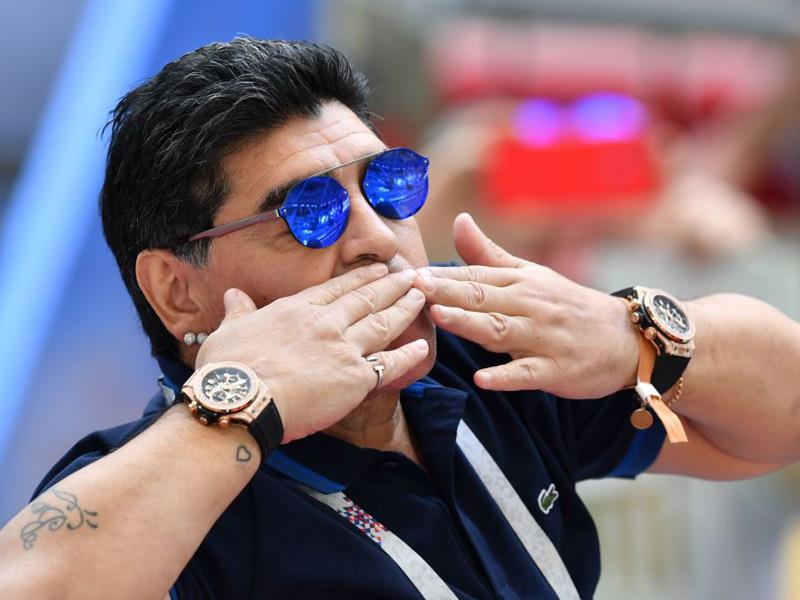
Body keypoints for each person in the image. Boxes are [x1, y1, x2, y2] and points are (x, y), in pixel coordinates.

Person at [0, 38, 798, 600]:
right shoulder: (174, 477)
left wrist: (635, 336)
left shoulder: (475, 358)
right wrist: (243, 404)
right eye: (310, 213)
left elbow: (777, 421)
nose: (376, 238)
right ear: (178, 291)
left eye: (389, 188)